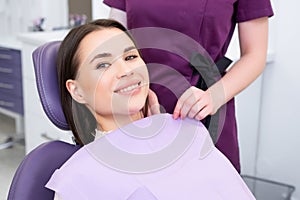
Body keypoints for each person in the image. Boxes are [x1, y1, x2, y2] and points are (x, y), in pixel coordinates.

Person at [46, 19, 256, 199]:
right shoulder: (79, 177)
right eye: (103, 65)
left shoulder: (188, 132)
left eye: (130, 57)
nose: (126, 71)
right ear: (76, 91)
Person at [103, 0, 274, 172]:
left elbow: (255, 55)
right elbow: (114, 43)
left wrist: (213, 97)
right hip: (136, 105)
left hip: (201, 105)